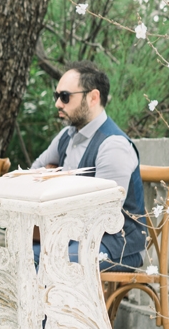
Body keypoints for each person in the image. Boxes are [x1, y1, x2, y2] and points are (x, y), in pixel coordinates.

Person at [29, 61, 146, 270]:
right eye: (56, 96)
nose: (58, 103)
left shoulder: (113, 145)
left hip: (115, 246)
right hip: (72, 237)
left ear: (93, 97)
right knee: (20, 259)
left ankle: (60, 304)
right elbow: (32, 174)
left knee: (53, 266)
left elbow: (102, 216)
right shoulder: (66, 136)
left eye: (65, 97)